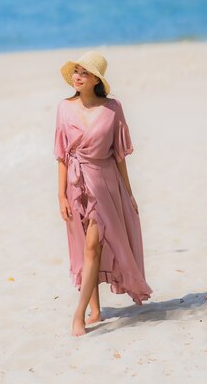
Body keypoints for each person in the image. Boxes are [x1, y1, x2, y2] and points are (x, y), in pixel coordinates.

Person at [54, 51, 153, 336]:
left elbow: (120, 156)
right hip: (75, 185)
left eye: (83, 73)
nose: (77, 77)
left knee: (92, 246)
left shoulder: (113, 108)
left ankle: (78, 316)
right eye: (75, 72)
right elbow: (61, 155)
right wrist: (60, 195)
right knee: (83, 245)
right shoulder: (63, 108)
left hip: (105, 184)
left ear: (97, 78)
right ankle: (96, 309)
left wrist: (129, 193)